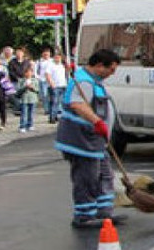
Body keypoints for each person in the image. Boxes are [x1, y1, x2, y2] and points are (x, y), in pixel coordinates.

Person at [54, 48, 124, 228]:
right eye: (111, 70)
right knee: (87, 178)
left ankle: (104, 213)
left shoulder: (92, 81)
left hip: (95, 142)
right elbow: (77, 104)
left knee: (105, 176)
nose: (112, 74)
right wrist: (96, 121)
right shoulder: (83, 82)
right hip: (81, 140)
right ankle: (84, 216)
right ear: (100, 66)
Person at [16, 63, 40, 132]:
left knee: (31, 113)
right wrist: (25, 87)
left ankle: (30, 125)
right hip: (24, 99)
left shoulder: (35, 80)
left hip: (33, 99)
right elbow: (18, 90)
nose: (28, 74)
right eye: (27, 72)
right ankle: (22, 126)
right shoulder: (21, 80)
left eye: (30, 72)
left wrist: (32, 88)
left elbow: (38, 90)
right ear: (24, 73)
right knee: (24, 113)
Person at [46, 52, 69, 123]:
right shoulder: (50, 65)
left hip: (62, 85)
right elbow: (47, 74)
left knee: (60, 102)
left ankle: (56, 116)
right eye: (56, 57)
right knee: (54, 102)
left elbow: (67, 73)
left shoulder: (62, 65)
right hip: (55, 86)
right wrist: (51, 83)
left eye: (59, 57)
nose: (57, 59)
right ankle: (52, 118)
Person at [35, 48, 54, 116]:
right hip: (42, 80)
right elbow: (35, 71)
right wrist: (38, 78)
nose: (46, 54)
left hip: (51, 80)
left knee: (51, 95)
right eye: (45, 53)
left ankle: (52, 109)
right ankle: (47, 109)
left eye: (47, 53)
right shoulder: (39, 61)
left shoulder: (52, 61)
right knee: (44, 95)